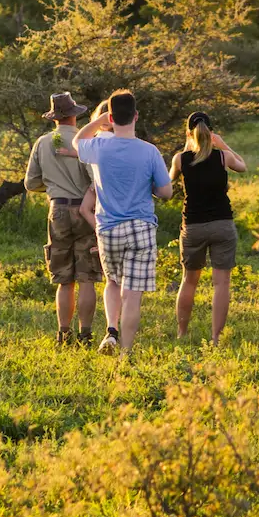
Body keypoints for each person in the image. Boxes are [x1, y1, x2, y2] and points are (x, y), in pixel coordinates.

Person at [74, 89, 172, 355]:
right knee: (132, 293)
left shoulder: (99, 147)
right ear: (136, 116)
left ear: (111, 117)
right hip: (141, 227)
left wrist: (96, 122)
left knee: (113, 283)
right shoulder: (150, 151)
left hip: (108, 229)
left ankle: (111, 332)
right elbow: (166, 192)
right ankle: (125, 353)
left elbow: (76, 141)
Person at [24, 91, 102, 346]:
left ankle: (63, 333)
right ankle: (86, 334)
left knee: (64, 278)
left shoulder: (43, 142)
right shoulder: (86, 141)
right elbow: (96, 180)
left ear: (54, 118)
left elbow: (30, 183)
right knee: (87, 276)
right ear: (75, 116)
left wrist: (53, 188)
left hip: (57, 210)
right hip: (84, 210)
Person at [168, 111, 247, 346]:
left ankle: (182, 332)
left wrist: (186, 147)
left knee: (189, 280)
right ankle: (216, 338)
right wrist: (223, 145)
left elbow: (166, 183)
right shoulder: (223, 157)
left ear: (188, 132)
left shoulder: (180, 159)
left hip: (193, 226)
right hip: (222, 225)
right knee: (221, 283)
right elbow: (242, 166)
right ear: (211, 132)